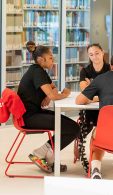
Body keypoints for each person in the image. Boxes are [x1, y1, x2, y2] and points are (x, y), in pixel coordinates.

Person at [17, 41, 80, 173]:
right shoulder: (37, 72)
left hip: (35, 112)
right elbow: (54, 94)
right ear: (41, 59)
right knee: (73, 128)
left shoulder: (41, 71)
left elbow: (53, 89)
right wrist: (64, 94)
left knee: (71, 125)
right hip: (28, 117)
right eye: (51, 57)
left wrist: (49, 95)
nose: (53, 60)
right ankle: (45, 155)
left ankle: (43, 153)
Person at [79, 44, 113, 163]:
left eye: (97, 53)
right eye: (91, 54)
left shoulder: (110, 69)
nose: (94, 56)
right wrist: (102, 92)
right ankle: (89, 156)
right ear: (89, 56)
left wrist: (93, 89)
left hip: (108, 106)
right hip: (92, 108)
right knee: (88, 123)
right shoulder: (85, 71)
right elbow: (84, 91)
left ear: (102, 52)